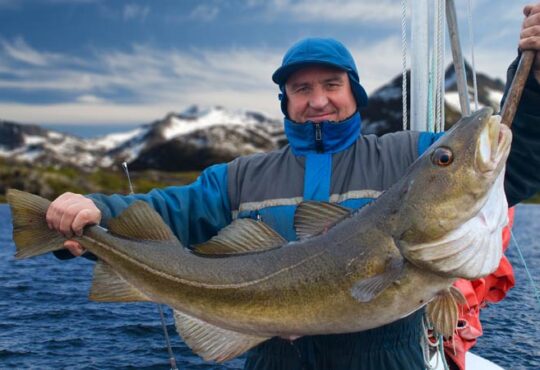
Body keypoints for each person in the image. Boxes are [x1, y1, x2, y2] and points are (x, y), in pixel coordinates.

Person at [46, 3, 540, 369]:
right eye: (301, 89)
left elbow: (517, 161)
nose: (317, 100)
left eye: (331, 85)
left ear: (354, 93)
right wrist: (92, 214)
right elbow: (170, 210)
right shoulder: (241, 176)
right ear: (285, 101)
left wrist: (533, 74)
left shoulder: (407, 155)